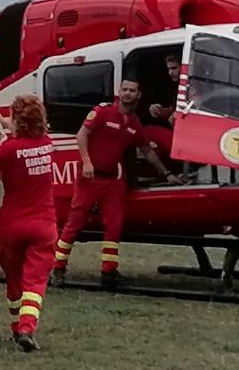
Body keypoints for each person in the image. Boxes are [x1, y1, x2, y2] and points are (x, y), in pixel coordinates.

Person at [54, 77, 168, 287]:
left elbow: (147, 151)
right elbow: (81, 135)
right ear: (119, 92)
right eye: (125, 89)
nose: (128, 93)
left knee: (114, 224)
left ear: (139, 95)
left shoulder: (134, 123)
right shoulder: (102, 112)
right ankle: (58, 267)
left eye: (132, 90)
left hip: (113, 180)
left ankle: (109, 271)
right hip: (90, 178)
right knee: (74, 223)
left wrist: (167, 173)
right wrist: (87, 162)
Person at [0, 94, 59, 351]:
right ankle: (26, 328)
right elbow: (26, 133)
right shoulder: (47, 144)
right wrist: (3, 121)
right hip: (43, 224)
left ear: (18, 121)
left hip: (12, 223)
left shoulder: (8, 150)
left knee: (14, 278)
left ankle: (15, 325)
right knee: (35, 281)